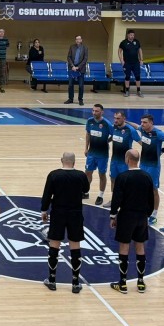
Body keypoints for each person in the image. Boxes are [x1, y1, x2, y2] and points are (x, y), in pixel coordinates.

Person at [41, 151, 91, 293]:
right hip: (75, 214)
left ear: (61, 160)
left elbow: (47, 194)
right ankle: (75, 283)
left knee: (54, 245)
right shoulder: (81, 175)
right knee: (75, 246)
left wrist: (44, 210)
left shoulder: (54, 175)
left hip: (58, 213)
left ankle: (52, 280)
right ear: (74, 162)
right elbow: (86, 189)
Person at [109, 149, 155, 294]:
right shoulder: (147, 176)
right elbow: (151, 200)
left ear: (128, 158)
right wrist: (146, 216)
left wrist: (112, 216)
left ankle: (122, 283)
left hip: (126, 216)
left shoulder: (122, 177)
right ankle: (141, 282)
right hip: (141, 216)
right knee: (140, 247)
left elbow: (117, 199)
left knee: (124, 247)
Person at [132, 114, 164, 225]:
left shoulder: (159, 133)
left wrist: (162, 150)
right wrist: (126, 122)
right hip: (143, 164)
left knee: (154, 190)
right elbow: (136, 126)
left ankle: (154, 214)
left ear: (151, 122)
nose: (142, 124)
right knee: (142, 188)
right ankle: (143, 209)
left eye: (145, 122)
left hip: (153, 166)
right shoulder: (142, 129)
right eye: (142, 122)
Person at [106, 110, 136, 207]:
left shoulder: (130, 130)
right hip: (114, 160)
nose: (115, 120)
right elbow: (113, 137)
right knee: (113, 180)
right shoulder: (114, 127)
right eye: (115, 118)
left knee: (125, 183)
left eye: (118, 118)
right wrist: (106, 141)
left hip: (125, 162)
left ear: (124, 119)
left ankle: (125, 202)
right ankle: (114, 200)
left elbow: (141, 142)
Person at [84, 104, 112, 205]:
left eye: (96, 111)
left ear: (102, 112)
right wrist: (86, 148)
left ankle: (100, 195)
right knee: (88, 172)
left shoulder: (107, 123)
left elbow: (114, 135)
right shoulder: (90, 121)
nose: (94, 113)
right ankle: (86, 192)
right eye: (93, 111)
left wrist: (106, 141)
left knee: (101, 174)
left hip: (102, 154)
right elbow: (88, 134)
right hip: (91, 152)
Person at [118, 29, 143, 98]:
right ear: (128, 35)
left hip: (136, 63)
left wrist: (141, 59)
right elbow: (119, 51)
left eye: (133, 35)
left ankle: (138, 91)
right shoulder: (123, 42)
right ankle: (127, 91)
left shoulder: (137, 42)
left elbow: (140, 50)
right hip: (127, 63)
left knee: (137, 77)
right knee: (127, 77)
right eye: (131, 35)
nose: (132, 36)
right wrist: (121, 60)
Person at [65, 35, 88, 106]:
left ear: (81, 40)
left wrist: (78, 67)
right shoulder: (72, 47)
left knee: (81, 85)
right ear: (75, 40)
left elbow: (85, 59)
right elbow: (68, 57)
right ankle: (70, 99)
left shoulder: (85, 48)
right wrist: (72, 66)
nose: (78, 40)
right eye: (76, 39)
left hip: (80, 69)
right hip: (72, 68)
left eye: (79, 39)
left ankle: (80, 99)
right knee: (70, 85)